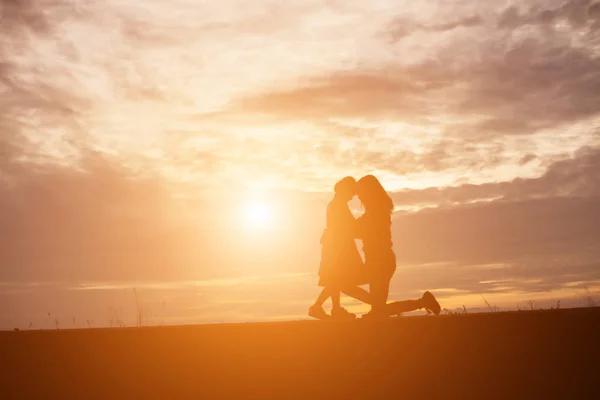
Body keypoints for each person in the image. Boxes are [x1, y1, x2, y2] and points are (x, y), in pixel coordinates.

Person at [355, 175, 441, 318]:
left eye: (360, 194)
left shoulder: (375, 213)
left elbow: (357, 230)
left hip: (380, 261)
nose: (359, 198)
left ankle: (423, 302)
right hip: (378, 260)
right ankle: (424, 301)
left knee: (376, 310)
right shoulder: (377, 211)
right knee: (377, 310)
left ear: (368, 192)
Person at [308, 177, 369, 320]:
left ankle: (333, 308)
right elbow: (350, 226)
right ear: (345, 190)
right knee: (336, 279)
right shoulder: (338, 205)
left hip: (336, 246)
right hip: (338, 248)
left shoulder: (336, 204)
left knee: (335, 280)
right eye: (352, 191)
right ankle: (320, 307)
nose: (354, 195)